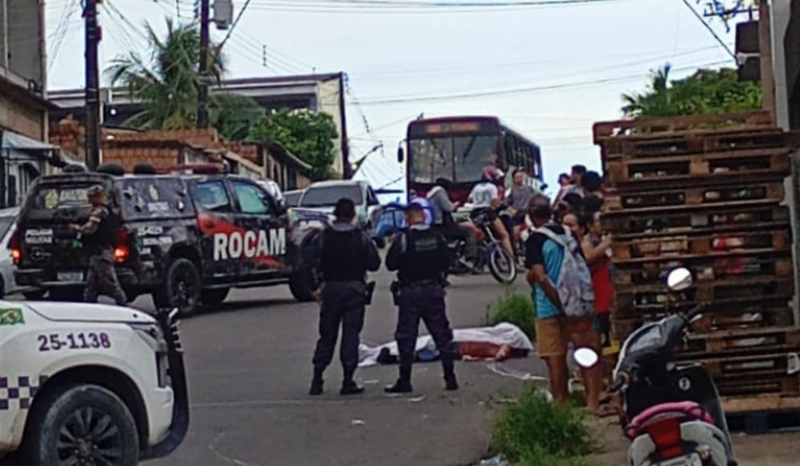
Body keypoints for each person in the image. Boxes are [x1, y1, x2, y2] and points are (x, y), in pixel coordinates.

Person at [525, 194, 601, 413]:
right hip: (578, 304)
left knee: (556, 358)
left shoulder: (535, 239)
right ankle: (592, 402)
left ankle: (561, 406)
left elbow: (540, 276)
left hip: (550, 307)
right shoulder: (569, 234)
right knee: (586, 352)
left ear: (531, 216)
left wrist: (561, 303)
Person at [310, 198, 381, 396]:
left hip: (330, 289)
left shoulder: (324, 237)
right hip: (354, 289)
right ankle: (348, 380)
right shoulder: (360, 237)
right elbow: (374, 263)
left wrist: (316, 286)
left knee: (327, 334)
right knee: (351, 335)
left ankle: (317, 377)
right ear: (353, 215)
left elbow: (310, 261)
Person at [385, 202, 458, 393]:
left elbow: (391, 264)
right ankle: (450, 377)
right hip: (434, 289)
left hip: (410, 292)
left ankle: (405, 379)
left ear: (408, 218)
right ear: (424, 217)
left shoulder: (403, 238)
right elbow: (448, 262)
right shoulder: (437, 236)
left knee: (406, 336)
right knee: (441, 333)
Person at [69, 185, 126, 305]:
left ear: (98, 197)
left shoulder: (100, 211)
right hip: (97, 253)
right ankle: (90, 306)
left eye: (91, 197)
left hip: (101, 253)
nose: (89, 200)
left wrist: (76, 228)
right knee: (91, 285)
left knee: (110, 283)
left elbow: (90, 229)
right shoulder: (108, 209)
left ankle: (123, 305)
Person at [580, 212, 613, 349]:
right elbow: (589, 257)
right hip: (597, 294)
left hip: (609, 291)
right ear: (590, 226)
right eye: (599, 222)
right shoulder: (587, 243)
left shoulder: (604, 240)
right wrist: (606, 243)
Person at [468, 167, 513, 258]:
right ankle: (511, 259)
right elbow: (494, 203)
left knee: (482, 236)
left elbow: (469, 199)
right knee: (504, 235)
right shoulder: (492, 187)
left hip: (475, 214)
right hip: (488, 213)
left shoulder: (476, 187)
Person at [427, 178, 476, 261]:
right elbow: (448, 208)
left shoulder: (430, 194)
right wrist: (455, 204)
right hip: (443, 225)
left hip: (434, 225)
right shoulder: (440, 192)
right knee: (469, 232)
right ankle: (469, 257)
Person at [507, 169, 537, 242]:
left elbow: (534, 200)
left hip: (528, 213)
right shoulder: (511, 190)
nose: (519, 179)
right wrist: (512, 210)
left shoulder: (529, 189)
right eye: (517, 177)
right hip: (517, 215)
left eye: (520, 176)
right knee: (515, 232)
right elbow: (507, 203)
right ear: (513, 179)